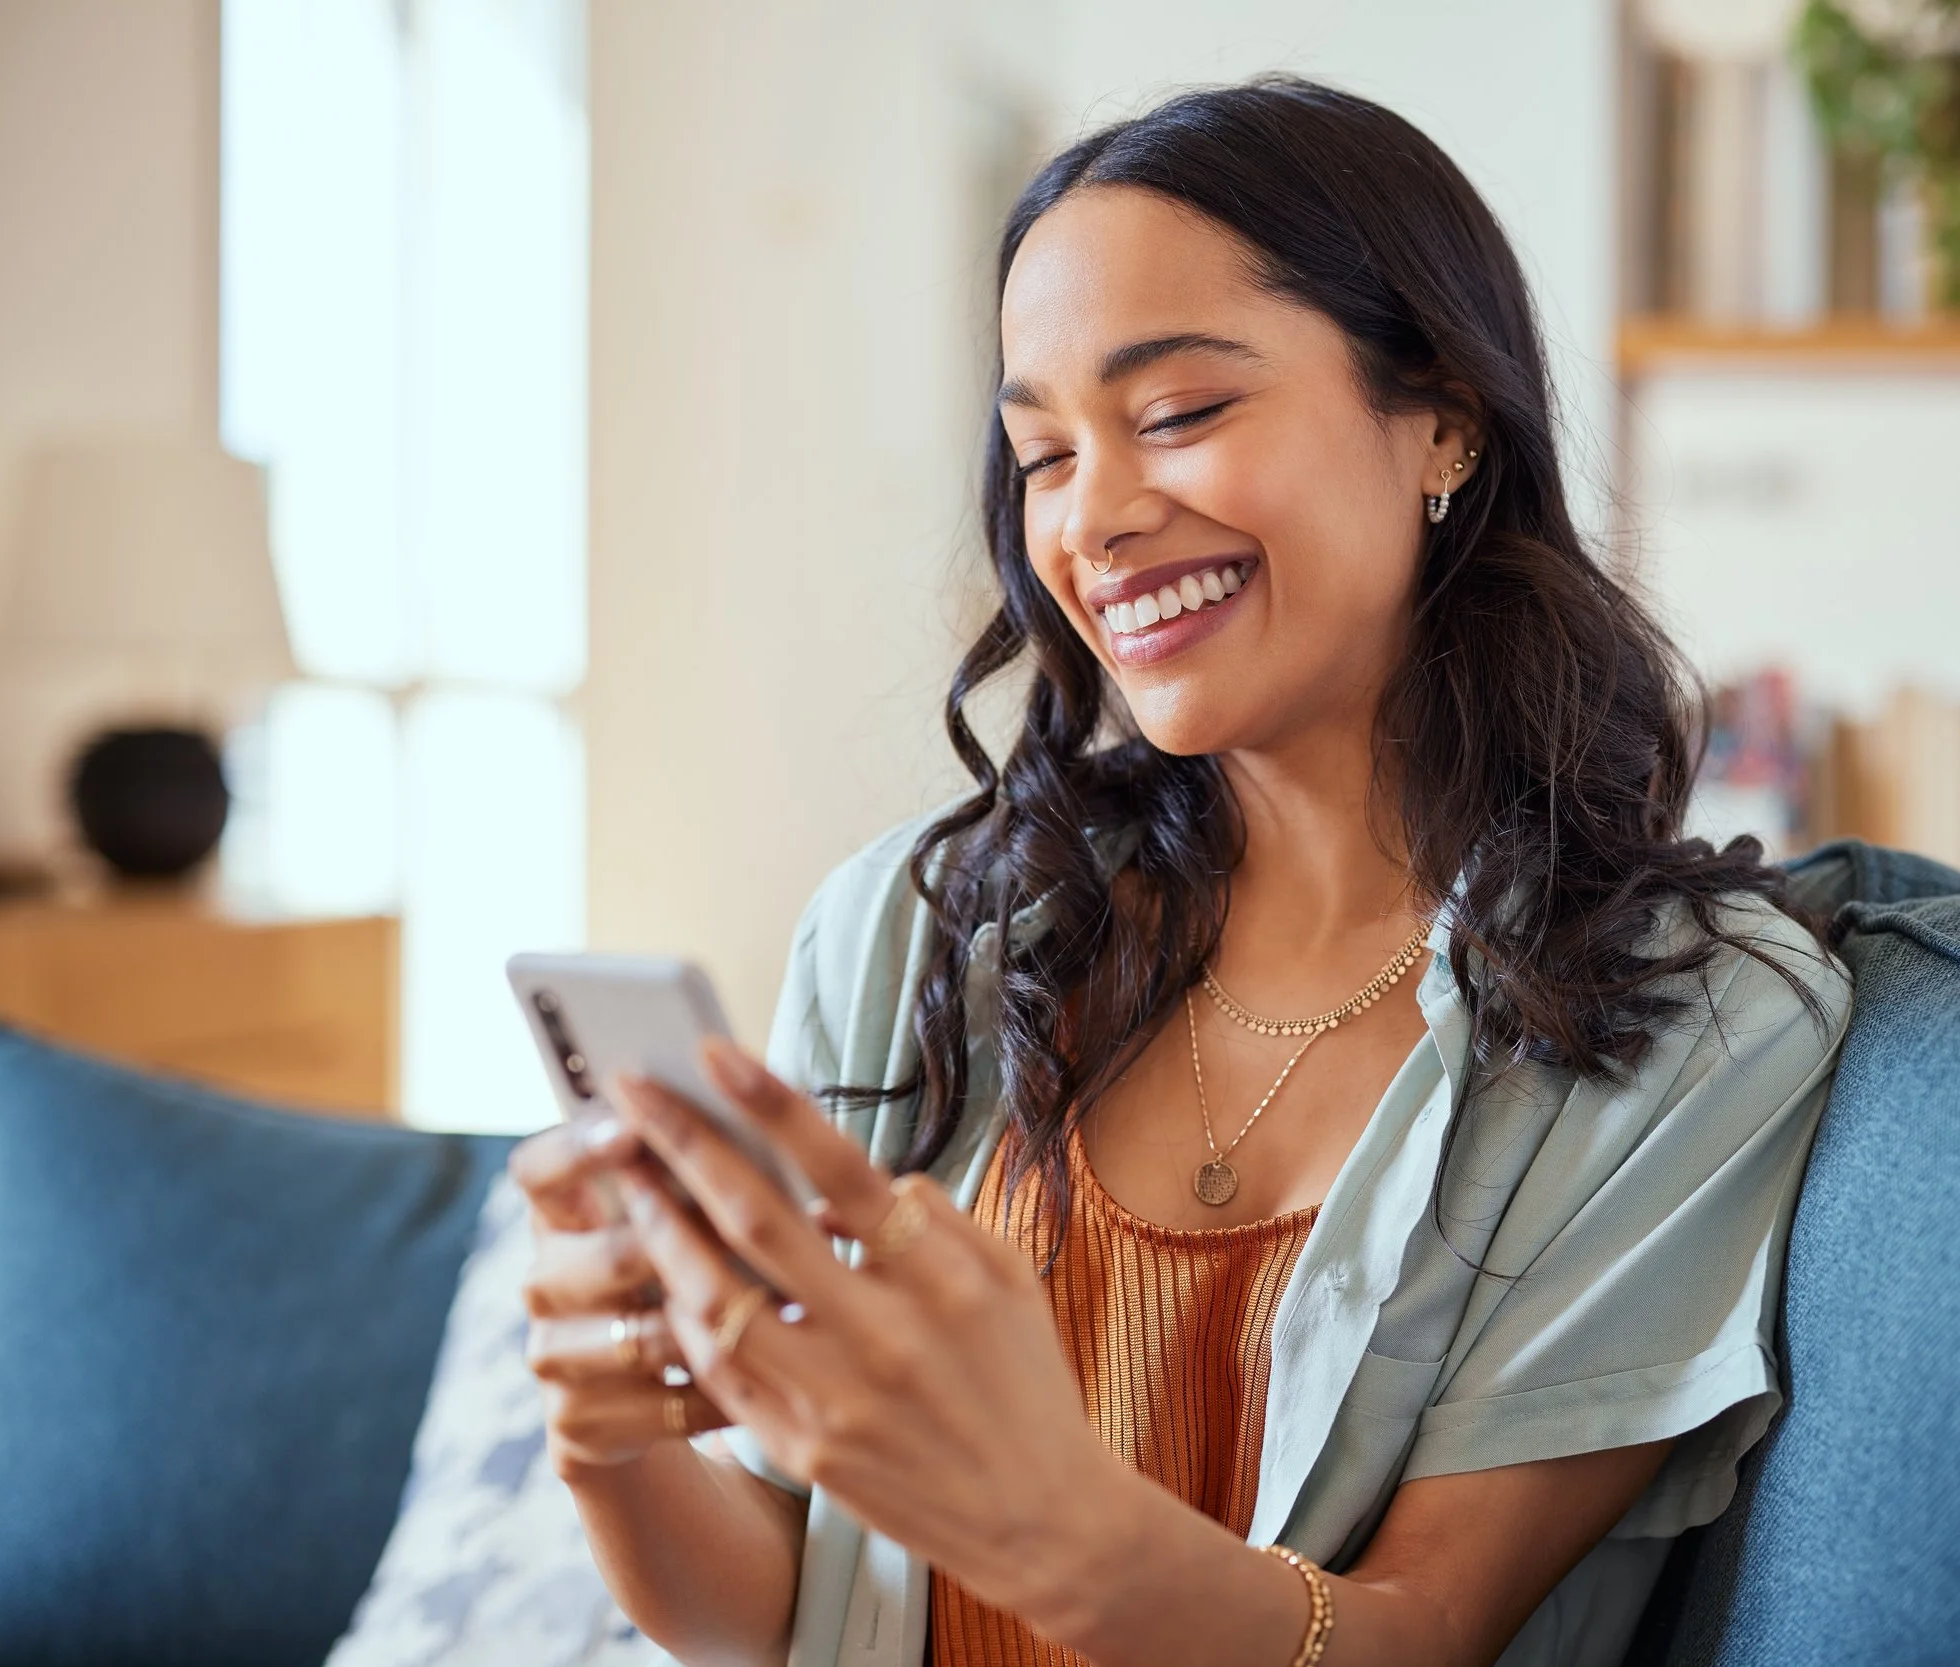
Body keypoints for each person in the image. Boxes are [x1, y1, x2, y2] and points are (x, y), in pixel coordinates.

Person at [511, 75, 1851, 1667]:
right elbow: (792, 1610)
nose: (1097, 520)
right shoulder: (914, 932)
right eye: (1042, 452)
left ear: (1444, 418)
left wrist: (1042, 1522)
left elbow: (1423, 1635)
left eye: (1180, 414)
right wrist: (612, 1442)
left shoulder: (1690, 1020)